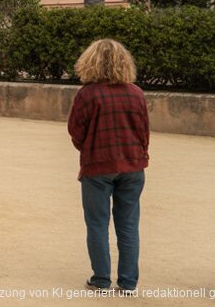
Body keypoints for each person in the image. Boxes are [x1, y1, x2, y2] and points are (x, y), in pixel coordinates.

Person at [67, 39, 149, 295]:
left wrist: (89, 148)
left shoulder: (88, 94)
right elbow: (143, 132)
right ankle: (128, 282)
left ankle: (101, 279)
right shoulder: (136, 93)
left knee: (97, 224)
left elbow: (75, 130)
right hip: (132, 165)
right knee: (128, 225)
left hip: (98, 166)